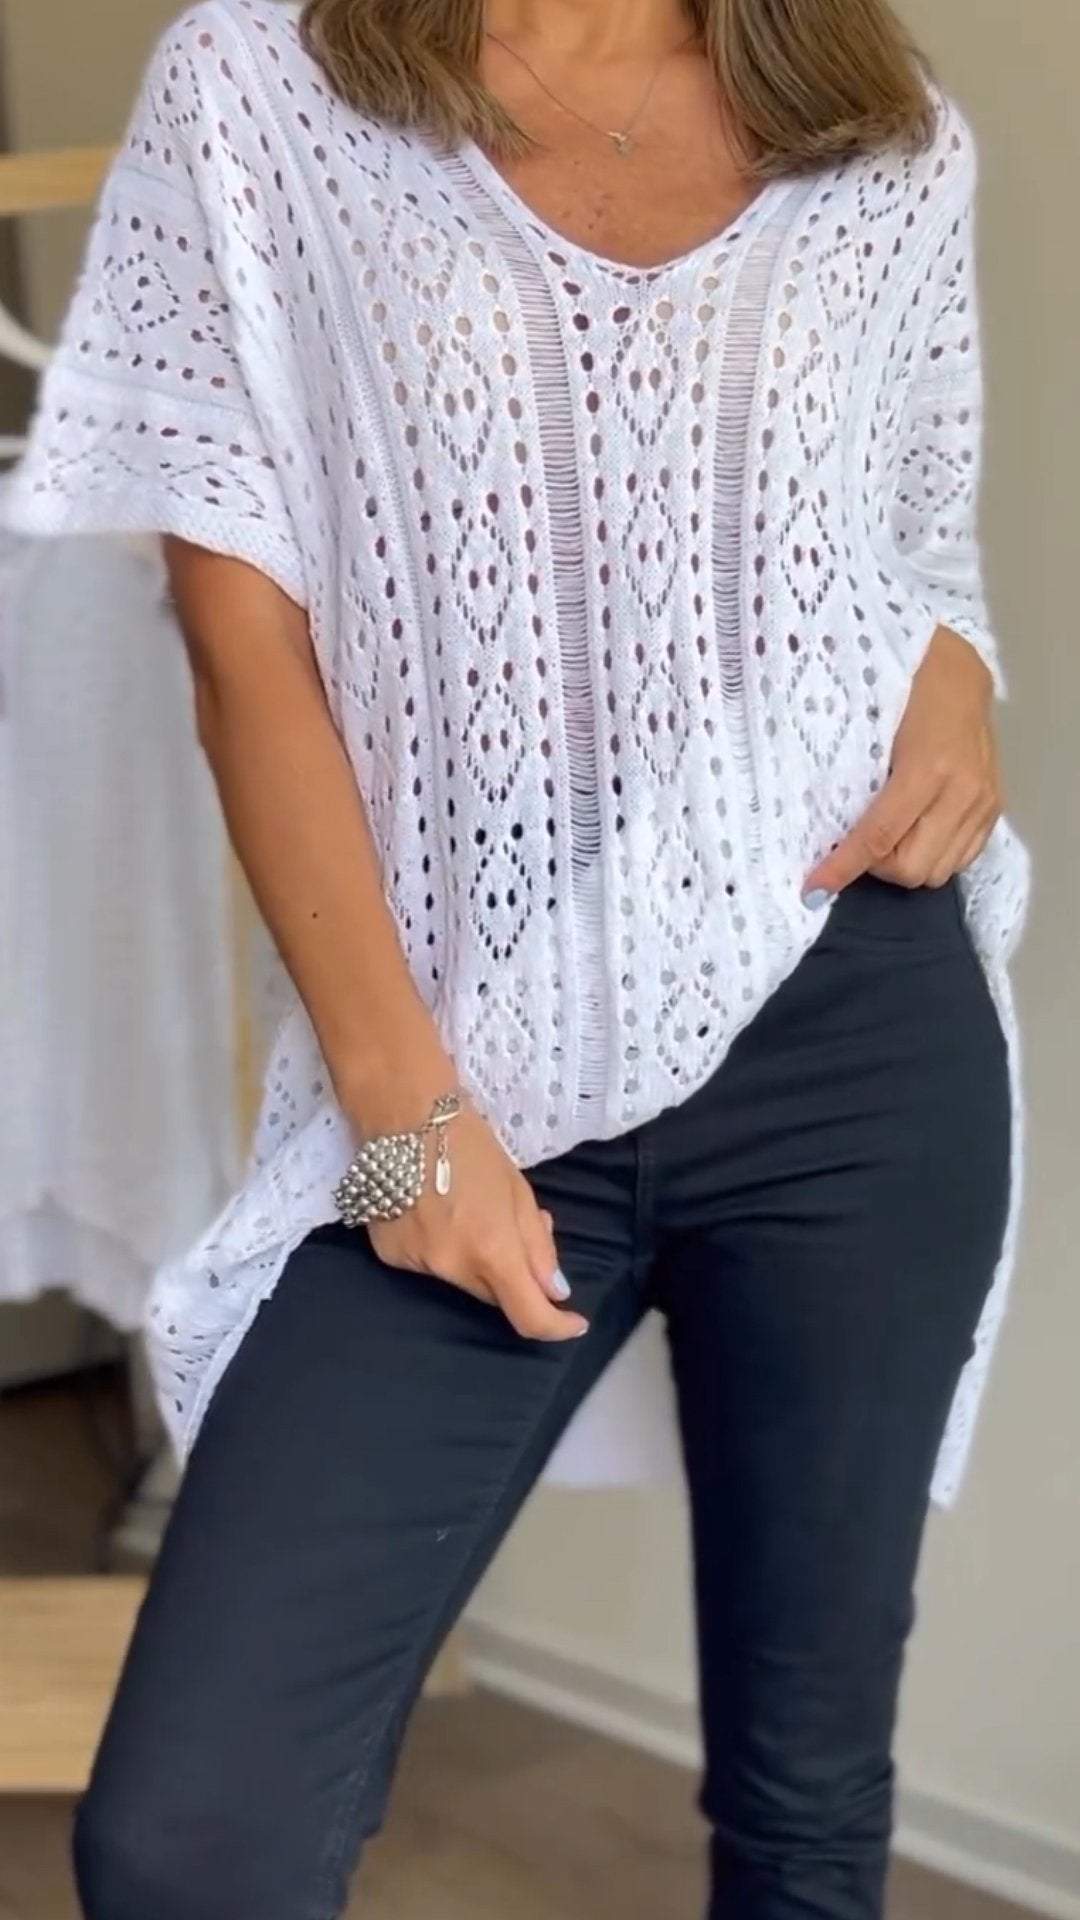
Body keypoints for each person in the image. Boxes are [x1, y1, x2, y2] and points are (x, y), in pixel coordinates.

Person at [5, 0, 1032, 1913]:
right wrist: (403, 1116)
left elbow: (914, 549)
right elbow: (243, 645)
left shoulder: (886, 135)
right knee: (190, 1839)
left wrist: (963, 678)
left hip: (858, 1040)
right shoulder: (260, 87)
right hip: (456, 1071)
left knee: (808, 1805)